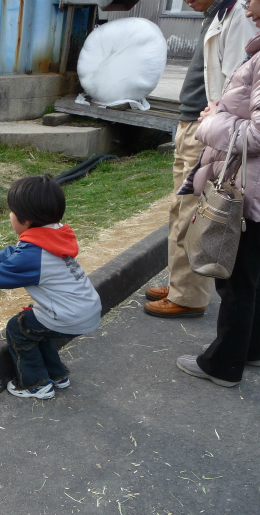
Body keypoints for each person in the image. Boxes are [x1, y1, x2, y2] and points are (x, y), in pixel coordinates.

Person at [0, 176, 102, 400]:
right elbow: (14, 254)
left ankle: (35, 384)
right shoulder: (53, 233)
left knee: (19, 328)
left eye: (11, 211)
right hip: (86, 307)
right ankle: (57, 375)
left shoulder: (33, 255)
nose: (9, 215)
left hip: (69, 315)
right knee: (36, 326)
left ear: (26, 220)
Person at [145, 0, 258, 318]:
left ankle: (189, 296)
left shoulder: (239, 16)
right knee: (178, 208)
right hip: (191, 123)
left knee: (192, 213)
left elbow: (239, 84)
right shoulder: (217, 14)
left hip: (206, 128)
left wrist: (215, 129)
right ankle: (180, 283)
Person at [175, 0, 260, 387]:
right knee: (252, 276)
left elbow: (257, 134)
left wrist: (212, 122)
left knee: (236, 280)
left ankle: (223, 364)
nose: (247, 6)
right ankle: (250, 349)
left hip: (250, 188)